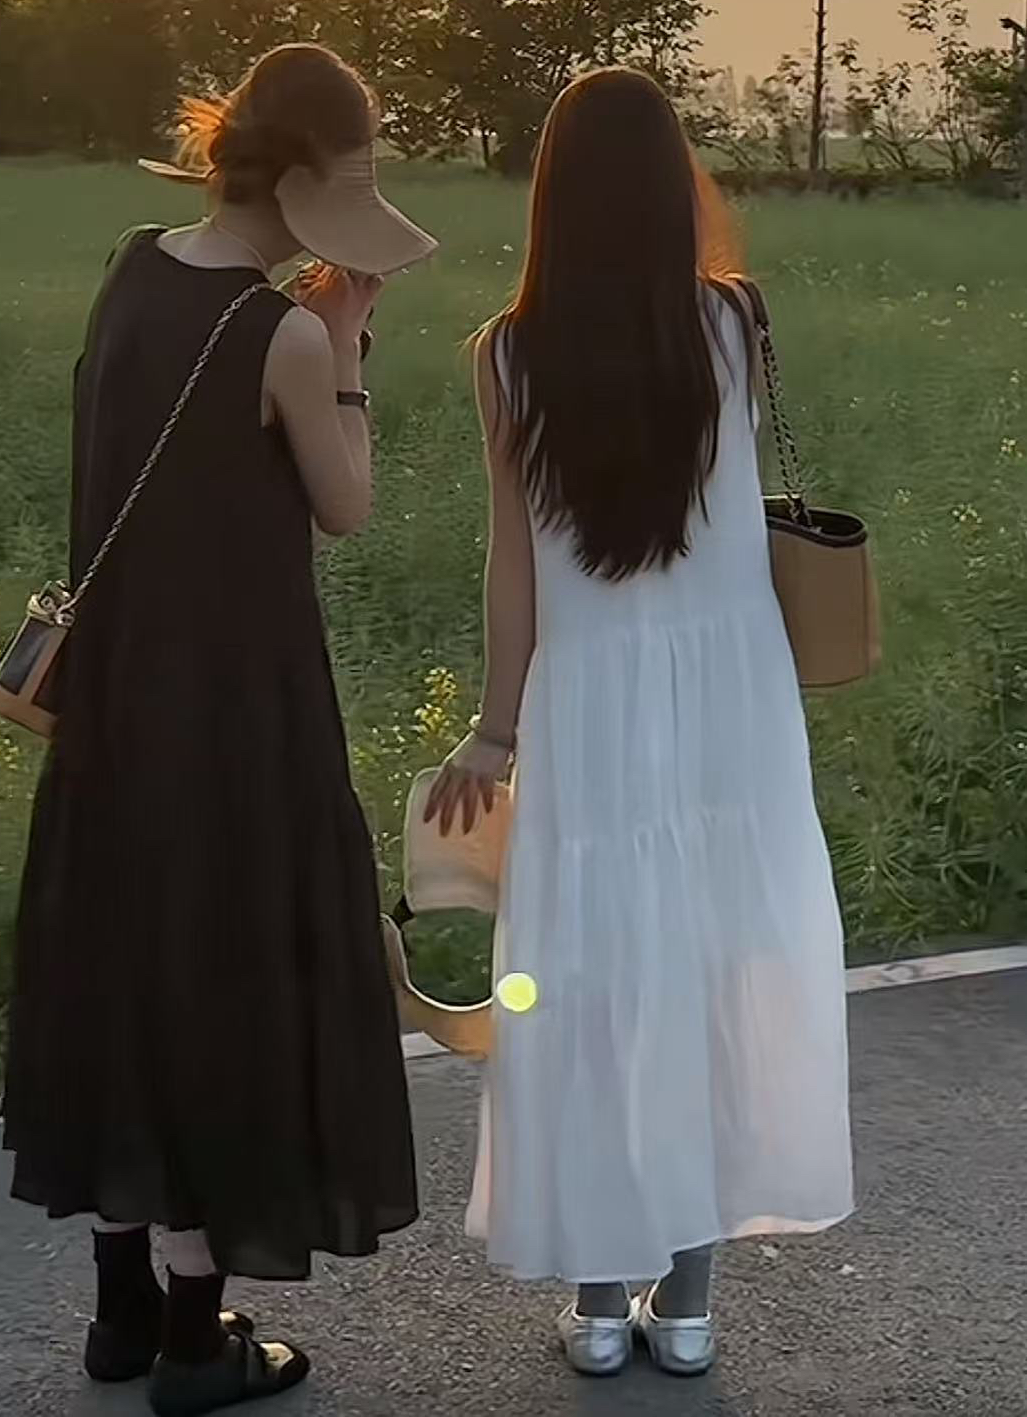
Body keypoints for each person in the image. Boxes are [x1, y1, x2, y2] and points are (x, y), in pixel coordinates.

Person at [3, 44, 434, 1416]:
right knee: (224, 994)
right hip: (238, 723)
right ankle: (198, 1341)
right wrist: (346, 347)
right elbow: (347, 506)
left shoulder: (133, 267)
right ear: (302, 181)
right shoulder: (283, 336)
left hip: (113, 712)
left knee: (127, 982)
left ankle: (121, 1312)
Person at [427, 67, 853, 1379]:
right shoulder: (734, 322)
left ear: (552, 197)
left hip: (589, 704)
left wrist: (494, 729)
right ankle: (691, 1308)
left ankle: (602, 1307)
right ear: (674, 187)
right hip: (733, 701)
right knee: (717, 968)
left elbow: (514, 563)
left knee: (596, 984)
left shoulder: (506, 356)